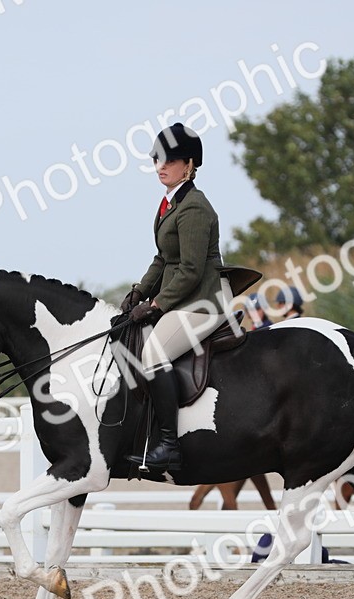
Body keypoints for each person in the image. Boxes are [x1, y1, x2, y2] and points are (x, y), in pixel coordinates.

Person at [120, 122, 234, 471]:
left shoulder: (195, 207)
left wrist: (155, 305)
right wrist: (139, 290)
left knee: (153, 352)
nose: (160, 167)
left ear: (189, 164)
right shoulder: (169, 204)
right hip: (182, 299)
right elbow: (163, 259)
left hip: (203, 303)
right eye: (157, 160)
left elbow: (190, 270)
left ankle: (169, 444)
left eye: (168, 161)